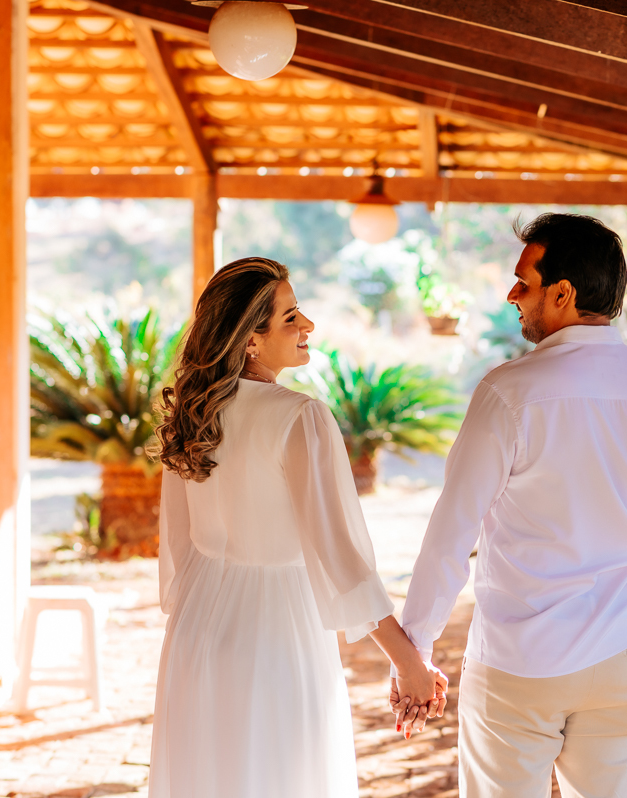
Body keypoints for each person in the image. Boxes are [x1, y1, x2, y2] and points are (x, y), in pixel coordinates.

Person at [394, 214, 627, 797]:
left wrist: (415, 649)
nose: (511, 295)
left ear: (562, 294)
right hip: (623, 661)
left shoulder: (506, 393)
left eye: (524, 282)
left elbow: (450, 532)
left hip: (518, 664)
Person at [149, 257, 446, 798]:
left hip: (197, 628)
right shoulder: (298, 417)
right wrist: (409, 662)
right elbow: (339, 558)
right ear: (250, 341)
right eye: (290, 317)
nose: (308, 325)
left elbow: (177, 542)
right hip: (275, 629)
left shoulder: (193, 415)